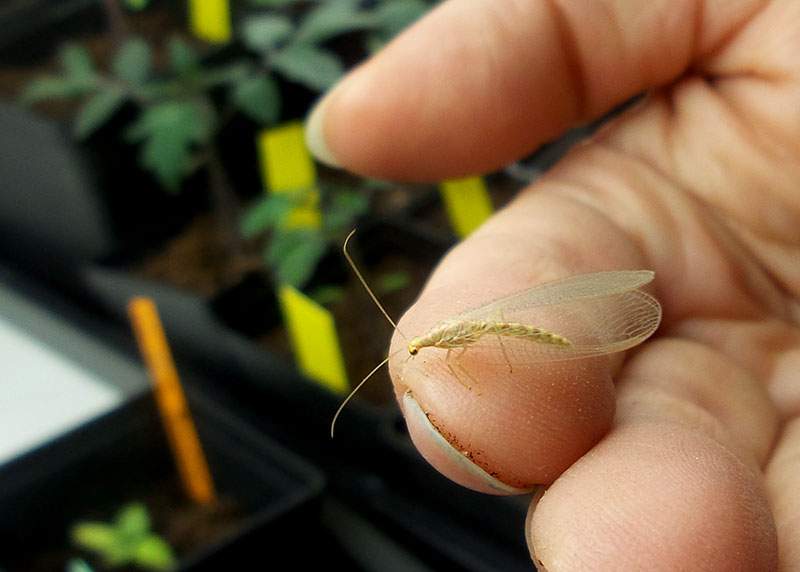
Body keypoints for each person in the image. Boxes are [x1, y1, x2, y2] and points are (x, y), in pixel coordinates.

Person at [304, 1, 799, 569]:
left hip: (533, 329)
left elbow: (484, 351)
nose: (420, 352)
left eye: (417, 349)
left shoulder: (451, 344)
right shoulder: (444, 344)